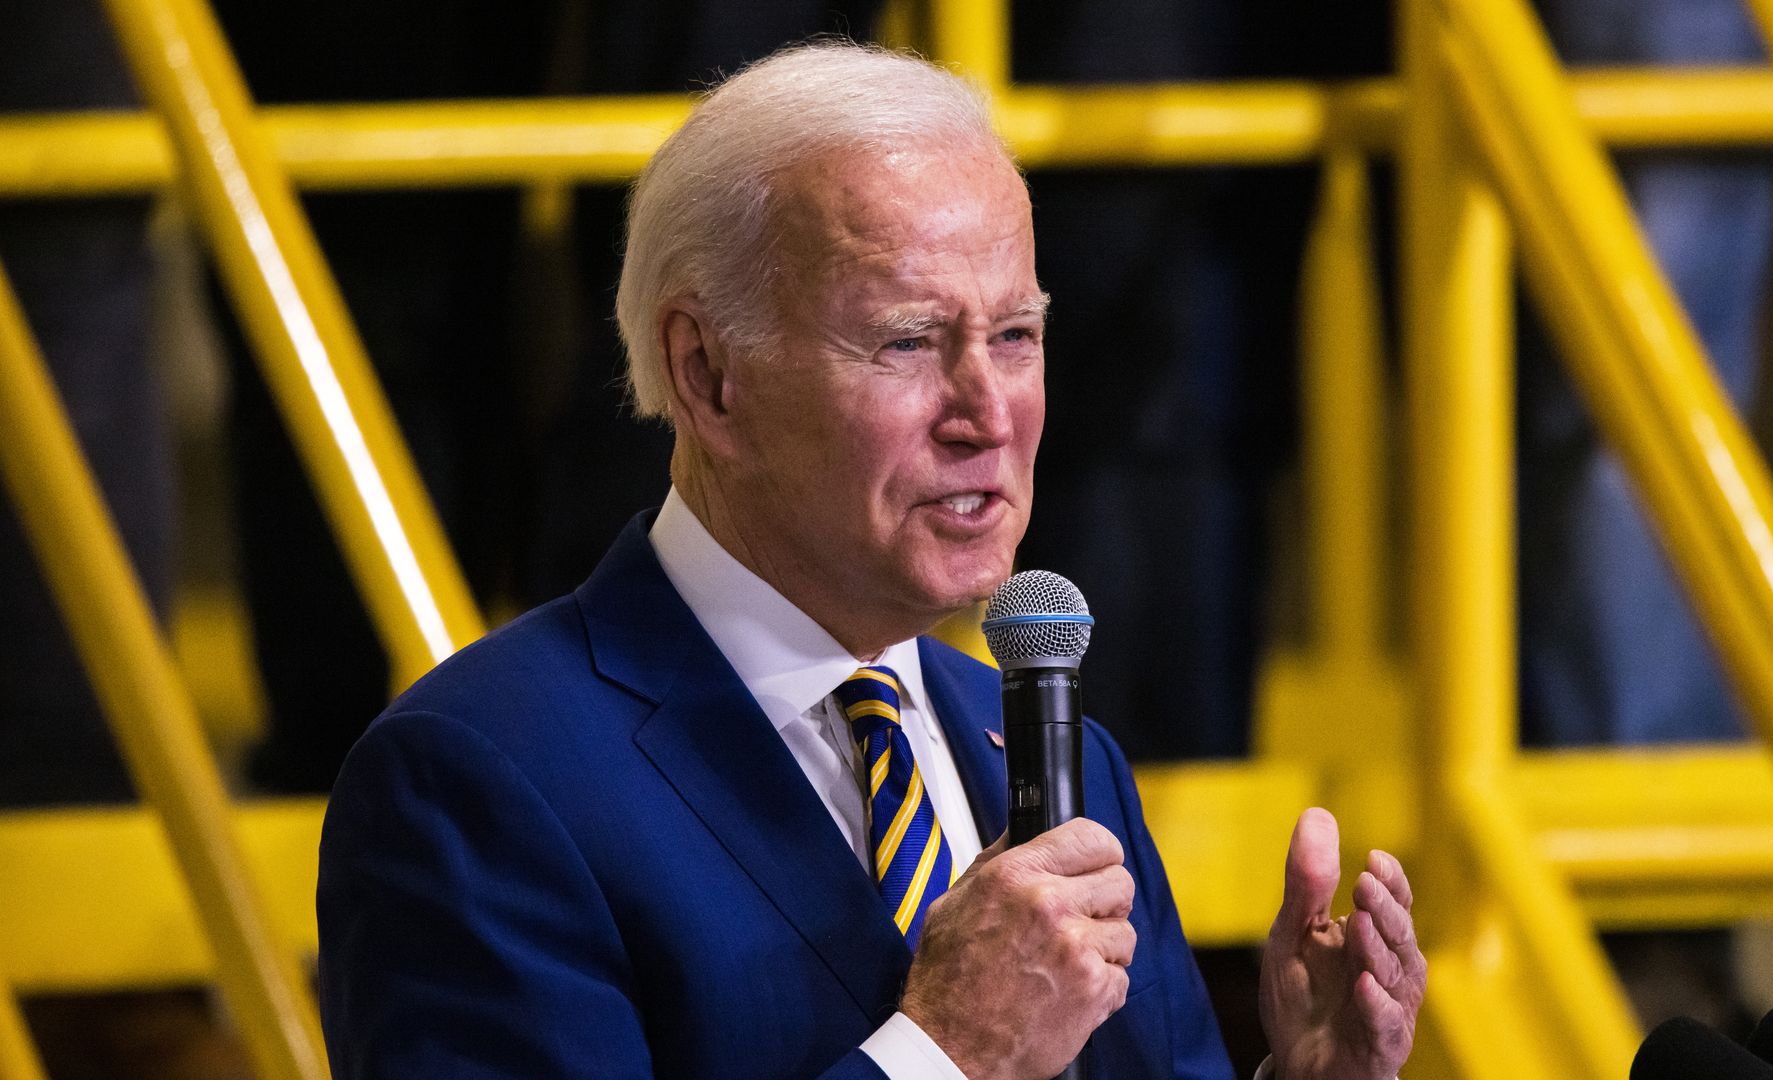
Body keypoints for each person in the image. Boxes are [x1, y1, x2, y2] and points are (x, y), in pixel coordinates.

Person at [316, 42, 1424, 1080]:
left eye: (1016, 336)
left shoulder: (1067, 755)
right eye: (908, 341)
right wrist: (946, 1050)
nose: (987, 413)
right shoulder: (474, 779)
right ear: (707, 375)